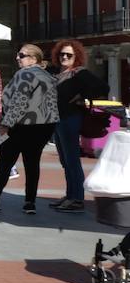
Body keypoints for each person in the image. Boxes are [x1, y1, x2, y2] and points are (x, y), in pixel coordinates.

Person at [0, 44, 60, 216]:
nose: (17, 58)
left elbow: (19, 101)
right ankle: (30, 202)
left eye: (21, 55)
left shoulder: (25, 74)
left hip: (22, 125)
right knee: (32, 163)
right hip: (44, 127)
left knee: (6, 161)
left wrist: (5, 123)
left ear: (33, 59)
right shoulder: (48, 76)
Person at [49, 38, 109, 212]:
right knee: (64, 160)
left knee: (72, 159)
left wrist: (82, 98)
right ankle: (70, 195)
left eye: (69, 54)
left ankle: (77, 199)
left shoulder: (79, 73)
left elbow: (103, 87)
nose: (64, 57)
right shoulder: (58, 73)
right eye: (62, 54)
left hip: (70, 119)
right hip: (57, 120)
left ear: (77, 56)